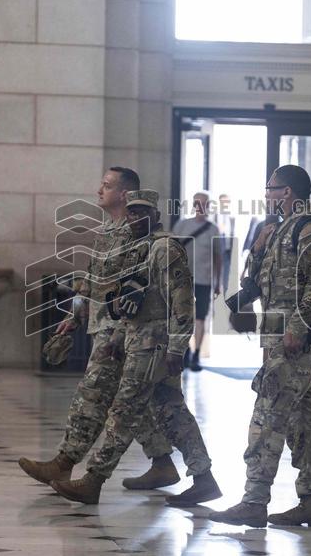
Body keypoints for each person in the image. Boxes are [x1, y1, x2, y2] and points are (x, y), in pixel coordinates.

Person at [51, 190, 221, 506]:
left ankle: (93, 480)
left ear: (155, 216)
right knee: (172, 412)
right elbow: (129, 305)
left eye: (143, 213)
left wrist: (176, 349)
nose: (136, 218)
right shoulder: (134, 250)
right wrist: (116, 339)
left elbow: (183, 303)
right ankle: (204, 479)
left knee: (123, 412)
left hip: (154, 347)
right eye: (131, 213)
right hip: (136, 342)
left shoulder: (164, 249)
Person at [18, 168, 180, 493]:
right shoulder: (107, 231)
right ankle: (163, 463)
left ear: (124, 194)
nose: (98, 191)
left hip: (119, 333)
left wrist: (120, 334)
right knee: (134, 405)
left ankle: (64, 463)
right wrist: (75, 316)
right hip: (102, 328)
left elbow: (137, 292)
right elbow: (91, 280)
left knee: (92, 396)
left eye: (106, 186)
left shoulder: (136, 235)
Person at [208, 165, 311, 528]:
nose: (266, 194)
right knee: (303, 418)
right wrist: (259, 247)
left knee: (268, 410)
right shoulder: (278, 229)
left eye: (271, 188)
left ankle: (254, 500)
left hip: (300, 338)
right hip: (279, 335)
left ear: (289, 192)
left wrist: (296, 327)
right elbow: (258, 281)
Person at [173, 191, 222, 371]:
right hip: (182, 280)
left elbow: (218, 257)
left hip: (204, 280)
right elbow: (172, 252)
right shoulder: (182, 226)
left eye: (204, 203)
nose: (200, 206)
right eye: (197, 203)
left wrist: (218, 282)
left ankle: (196, 354)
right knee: (182, 317)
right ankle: (183, 351)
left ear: (208, 206)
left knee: (200, 318)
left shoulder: (213, 230)